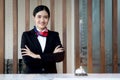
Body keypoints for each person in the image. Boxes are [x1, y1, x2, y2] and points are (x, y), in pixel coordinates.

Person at [21, 5, 64, 73]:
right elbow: (27, 60)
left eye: (45, 17)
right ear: (34, 18)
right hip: (32, 76)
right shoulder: (26, 35)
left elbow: (60, 57)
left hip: (50, 76)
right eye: (39, 16)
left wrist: (36, 56)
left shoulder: (54, 35)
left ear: (48, 19)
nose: (42, 20)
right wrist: (51, 55)